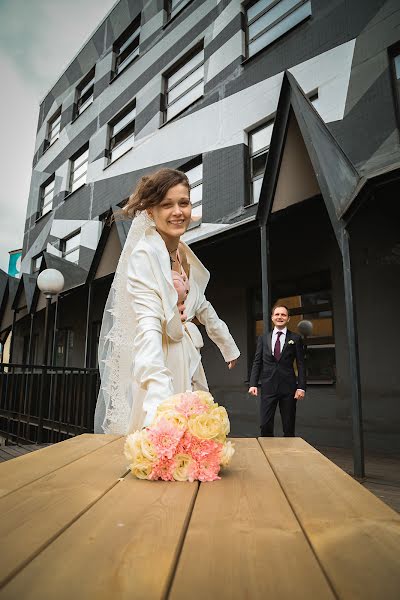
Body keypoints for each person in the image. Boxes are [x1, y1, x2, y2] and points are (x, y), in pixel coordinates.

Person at [94, 168, 240, 434]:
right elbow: (148, 326)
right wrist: (159, 404)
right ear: (151, 212)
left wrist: (226, 344)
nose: (177, 212)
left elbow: (202, 304)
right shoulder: (144, 254)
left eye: (183, 203)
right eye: (166, 205)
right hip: (160, 361)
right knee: (167, 437)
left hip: (188, 355)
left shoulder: (182, 252)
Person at [248, 305, 305, 437]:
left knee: (288, 425)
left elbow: (301, 364)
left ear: (288, 318)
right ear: (272, 318)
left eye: (283, 315)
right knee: (265, 424)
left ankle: (288, 456)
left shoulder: (295, 338)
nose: (280, 317)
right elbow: (257, 362)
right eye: (277, 314)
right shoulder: (263, 338)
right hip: (268, 387)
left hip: (289, 388)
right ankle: (268, 453)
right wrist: (253, 384)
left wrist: (301, 387)